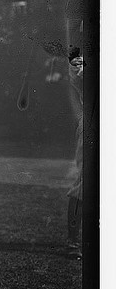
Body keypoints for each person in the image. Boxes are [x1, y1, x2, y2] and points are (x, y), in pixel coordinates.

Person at [66, 52, 84, 259]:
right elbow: (77, 71)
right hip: (93, 124)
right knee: (84, 184)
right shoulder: (80, 64)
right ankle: (73, 243)